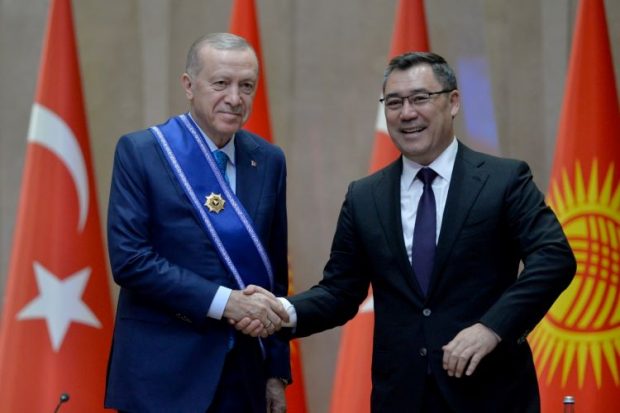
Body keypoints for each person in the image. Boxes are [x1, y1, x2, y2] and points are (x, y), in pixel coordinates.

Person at [238, 52, 576, 412]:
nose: (407, 113)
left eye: (420, 98)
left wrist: (491, 328)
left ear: (454, 102)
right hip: (401, 397)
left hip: (490, 394)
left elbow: (553, 258)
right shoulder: (365, 196)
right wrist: (281, 310)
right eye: (394, 102)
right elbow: (340, 291)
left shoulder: (502, 180)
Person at [104, 33, 291, 413]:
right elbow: (130, 260)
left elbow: (272, 273)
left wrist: (275, 369)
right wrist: (226, 303)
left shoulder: (268, 160)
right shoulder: (142, 152)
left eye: (247, 86)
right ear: (189, 86)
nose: (235, 98)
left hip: (244, 375)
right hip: (162, 375)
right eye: (221, 83)